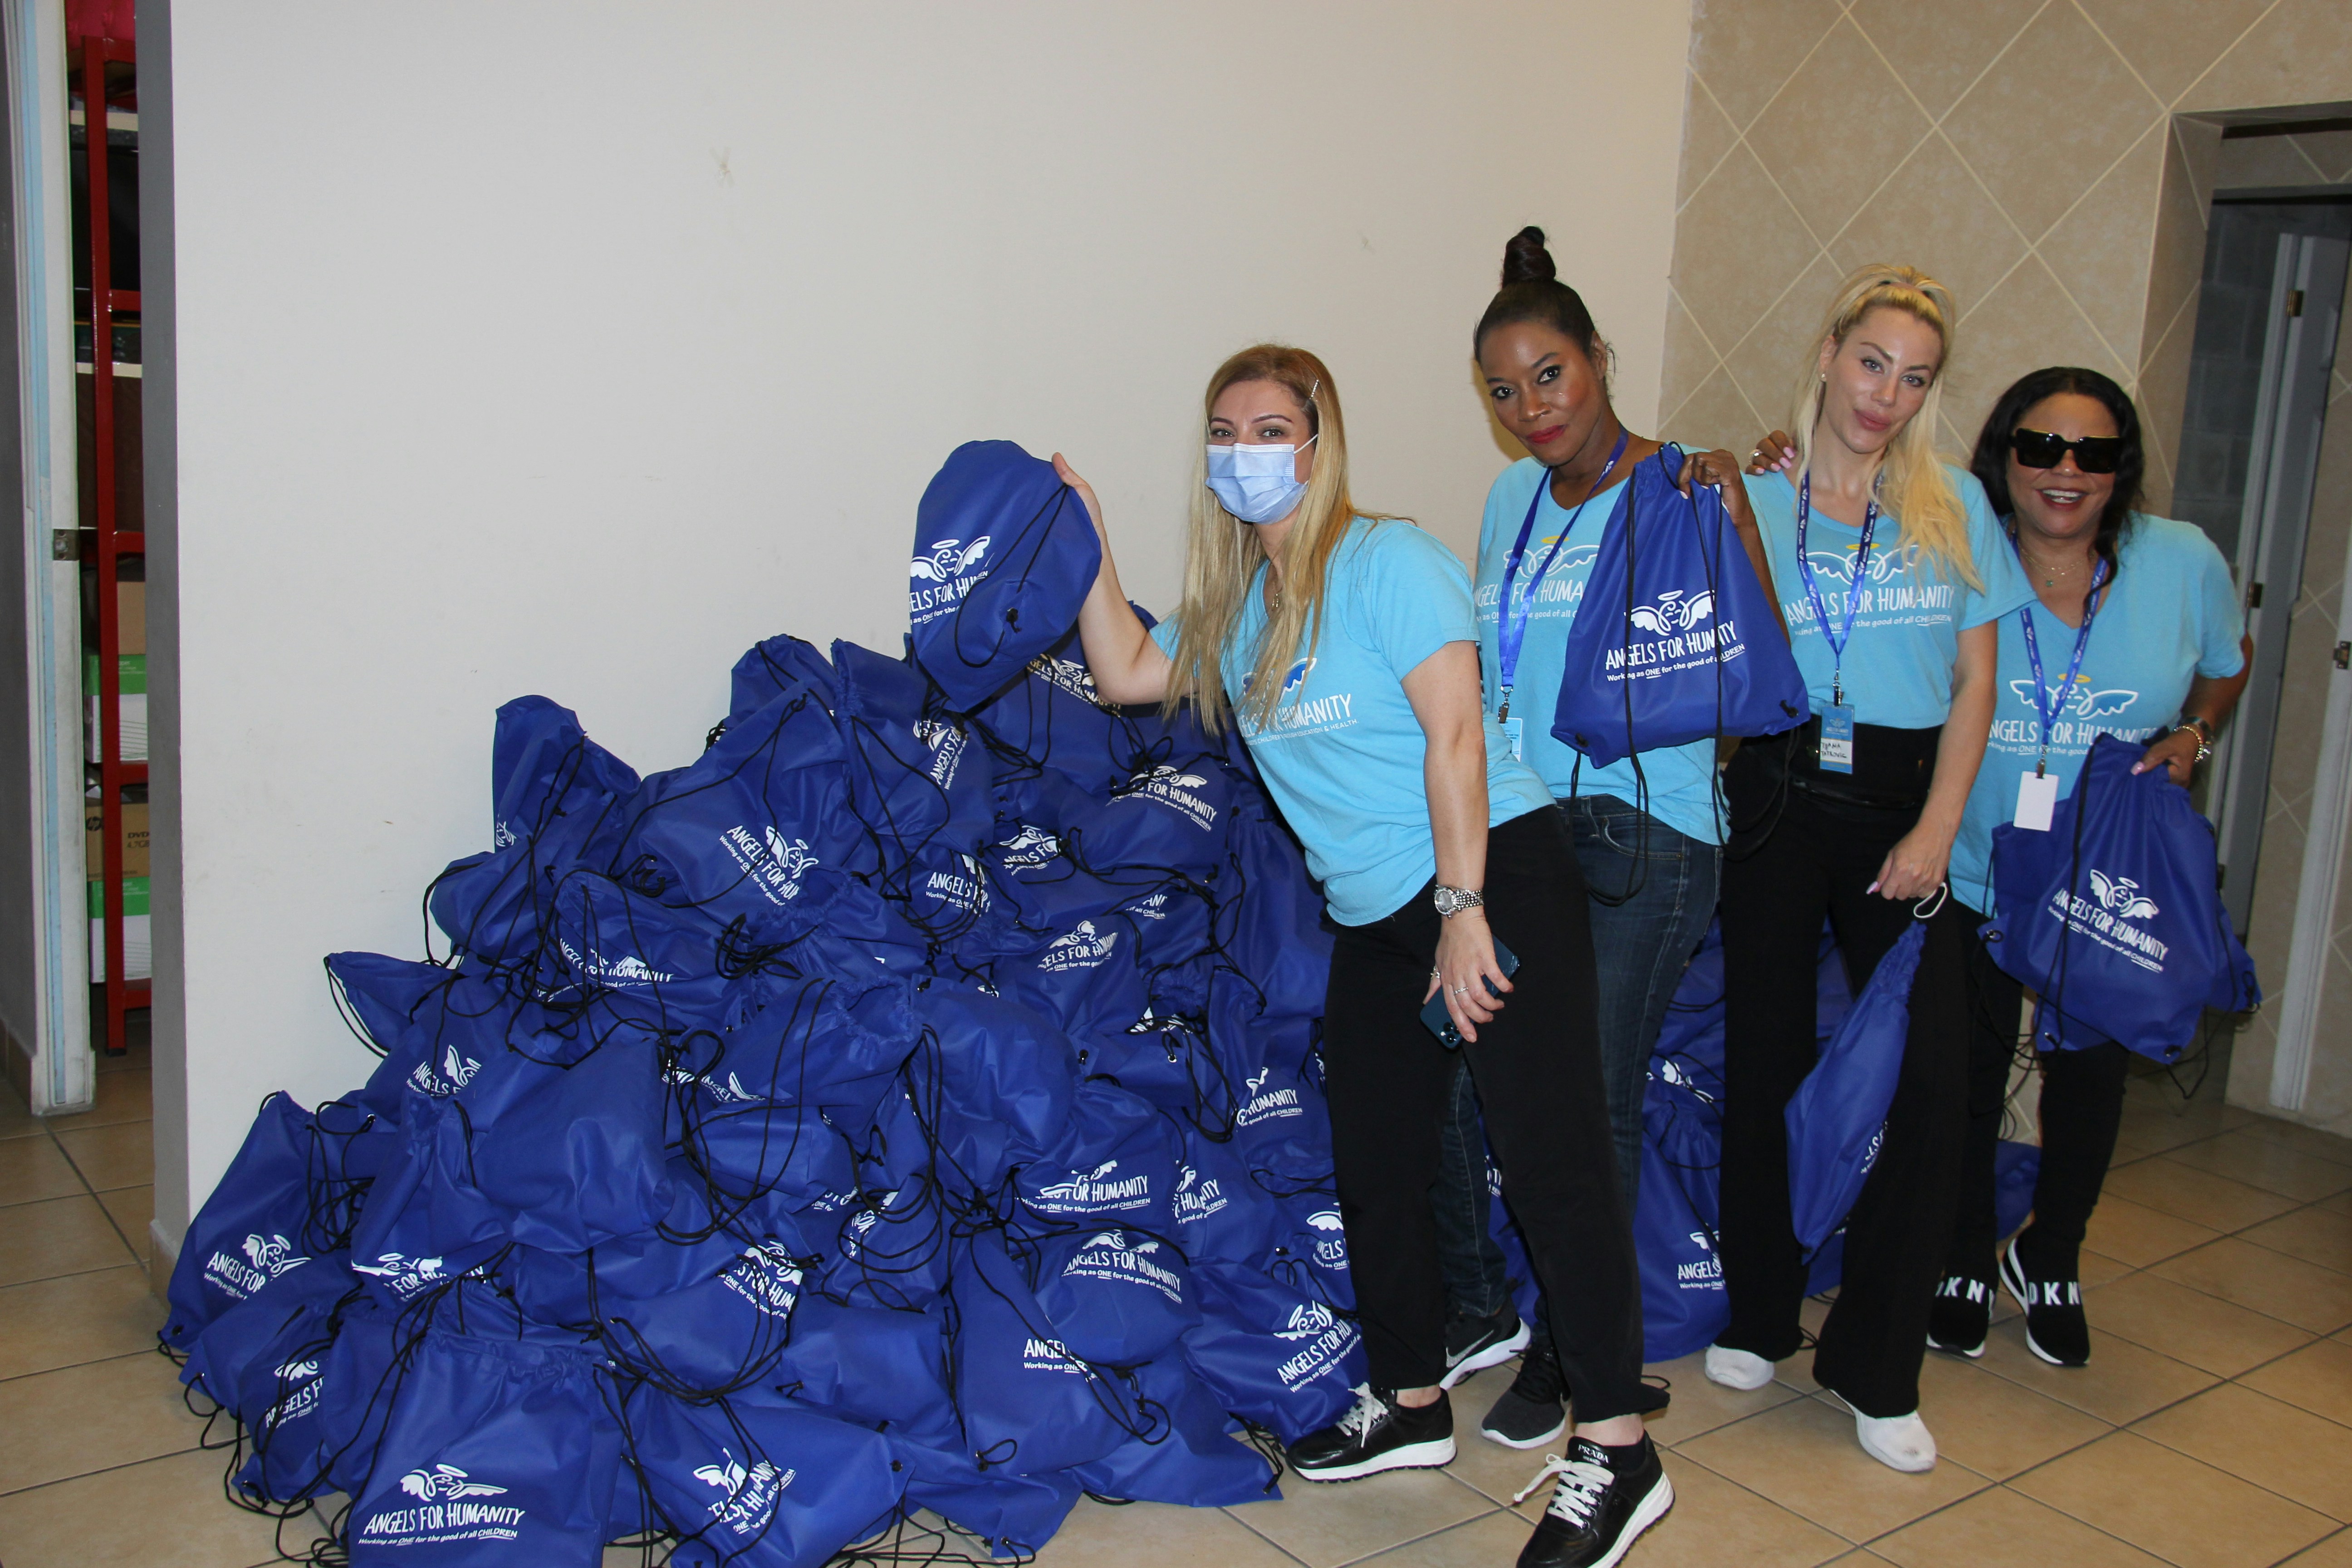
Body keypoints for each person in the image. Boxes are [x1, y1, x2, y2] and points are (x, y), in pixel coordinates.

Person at [1061, 344, 1669, 1568]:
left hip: (1493, 878)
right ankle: (1410, 1400)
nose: (1245, 452)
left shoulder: (1390, 562)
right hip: (1380, 917)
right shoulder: (1241, 611)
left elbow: (1457, 737)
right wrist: (1084, 538)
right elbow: (1125, 669)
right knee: (1377, 1156)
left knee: (1550, 1160)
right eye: (1225, 432)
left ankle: (1618, 1447)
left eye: (1269, 429)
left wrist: (1465, 909)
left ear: (1318, 442)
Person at [1755, 368, 2251, 1366]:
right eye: (2040, 447)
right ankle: (1963, 1256)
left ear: (2121, 467)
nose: (2066, 471)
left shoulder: (2181, 561)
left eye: (2093, 452)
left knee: (2090, 1074)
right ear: (2002, 456)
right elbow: (1838, 516)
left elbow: (2227, 659)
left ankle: (2053, 1250)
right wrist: (1787, 460)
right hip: (1972, 853)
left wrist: (2195, 733)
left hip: (2102, 870)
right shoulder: (1948, 533)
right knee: (1966, 1073)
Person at [1427, 226, 1771, 1451]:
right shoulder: (1509, 500)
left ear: (1600, 358)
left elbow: (1758, 667)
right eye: (1504, 392)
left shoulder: (1679, 486)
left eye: (1550, 375)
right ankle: (1496, 1310)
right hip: (1524, 832)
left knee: (1589, 1106)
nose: (1532, 408)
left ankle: (1578, 1363)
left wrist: (1737, 521)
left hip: (1648, 835)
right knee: (1465, 1074)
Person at [1705, 265, 2034, 1474]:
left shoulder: (1956, 505)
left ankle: (1877, 1367)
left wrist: (1941, 826)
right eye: (1872, 362)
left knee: (1931, 1084)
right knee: (1764, 1063)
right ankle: (1758, 1313)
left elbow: (1978, 682)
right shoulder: (1756, 494)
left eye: (1915, 377)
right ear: (1831, 353)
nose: (1886, 394)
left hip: (1904, 808)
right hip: (1777, 794)